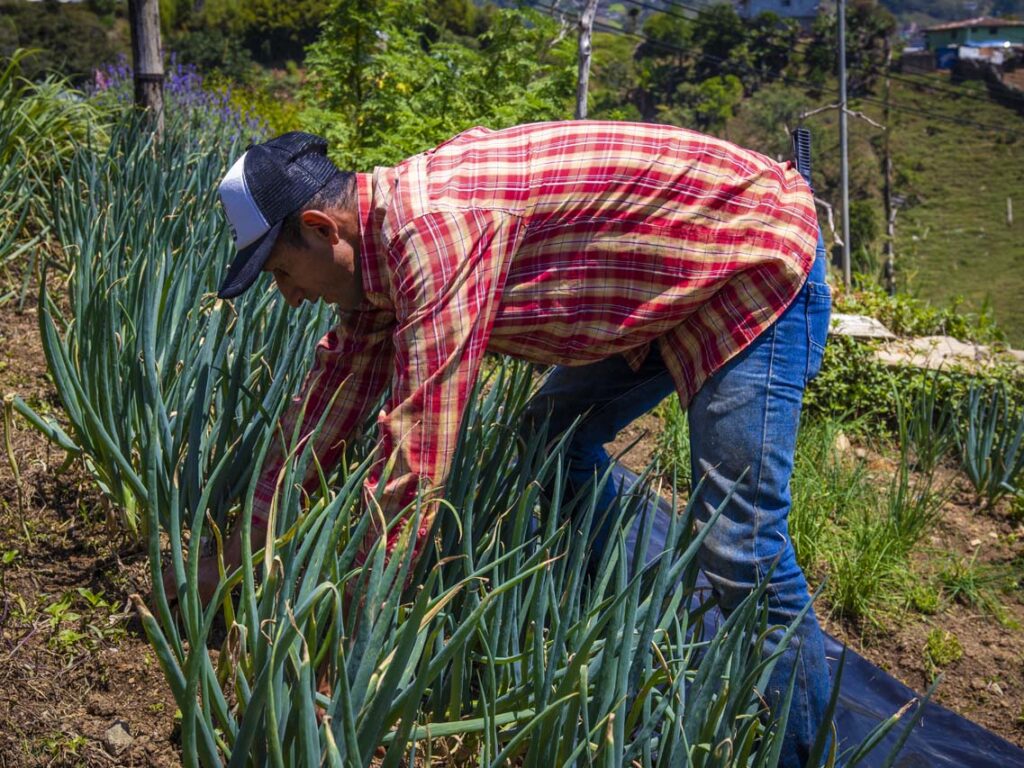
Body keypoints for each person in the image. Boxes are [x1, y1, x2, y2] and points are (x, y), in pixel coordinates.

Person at [165, 123, 833, 767]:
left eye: (281, 273)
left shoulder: (435, 233)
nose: (287, 298)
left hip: (751, 256)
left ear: (321, 230)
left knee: (739, 545)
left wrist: (344, 670)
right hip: (654, 282)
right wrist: (227, 561)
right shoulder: (373, 263)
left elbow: (412, 469)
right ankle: (607, 626)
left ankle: (800, 754)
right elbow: (322, 419)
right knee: (550, 438)